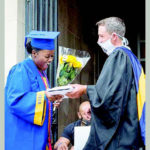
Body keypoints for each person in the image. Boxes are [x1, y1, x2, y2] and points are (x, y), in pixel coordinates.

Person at [66, 17, 145, 150]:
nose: (99, 41)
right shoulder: (131, 57)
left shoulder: (119, 56)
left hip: (120, 137)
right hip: (129, 133)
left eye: (101, 36)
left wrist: (84, 89)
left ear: (114, 36)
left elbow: (112, 97)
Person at [5, 30, 63, 150]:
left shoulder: (42, 74)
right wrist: (46, 96)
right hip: (24, 137)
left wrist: (51, 102)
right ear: (34, 53)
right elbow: (15, 101)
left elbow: (40, 99)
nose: (51, 60)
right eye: (47, 56)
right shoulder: (21, 70)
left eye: (52, 56)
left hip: (39, 137)